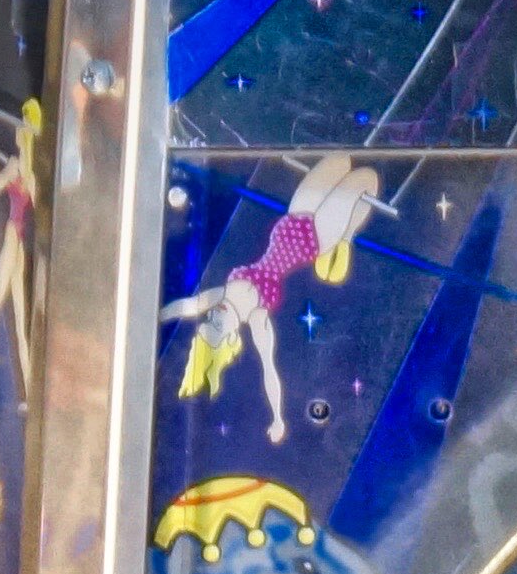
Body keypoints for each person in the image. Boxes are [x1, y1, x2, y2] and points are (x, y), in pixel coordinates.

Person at [161, 152, 383, 442]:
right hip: (316, 239)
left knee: (341, 159)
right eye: (217, 325)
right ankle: (344, 239)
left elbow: (185, 307)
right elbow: (270, 372)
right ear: (231, 337)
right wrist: (278, 419)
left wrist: (152, 317)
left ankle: (342, 239)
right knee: (367, 179)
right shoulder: (258, 318)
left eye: (209, 318)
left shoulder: (220, 295)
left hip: (292, 220)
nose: (214, 315)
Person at [0, 104, 39, 380]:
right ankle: (28, 388)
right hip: (21, 239)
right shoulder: (33, 176)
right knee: (19, 322)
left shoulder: (16, 165)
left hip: (12, 236)